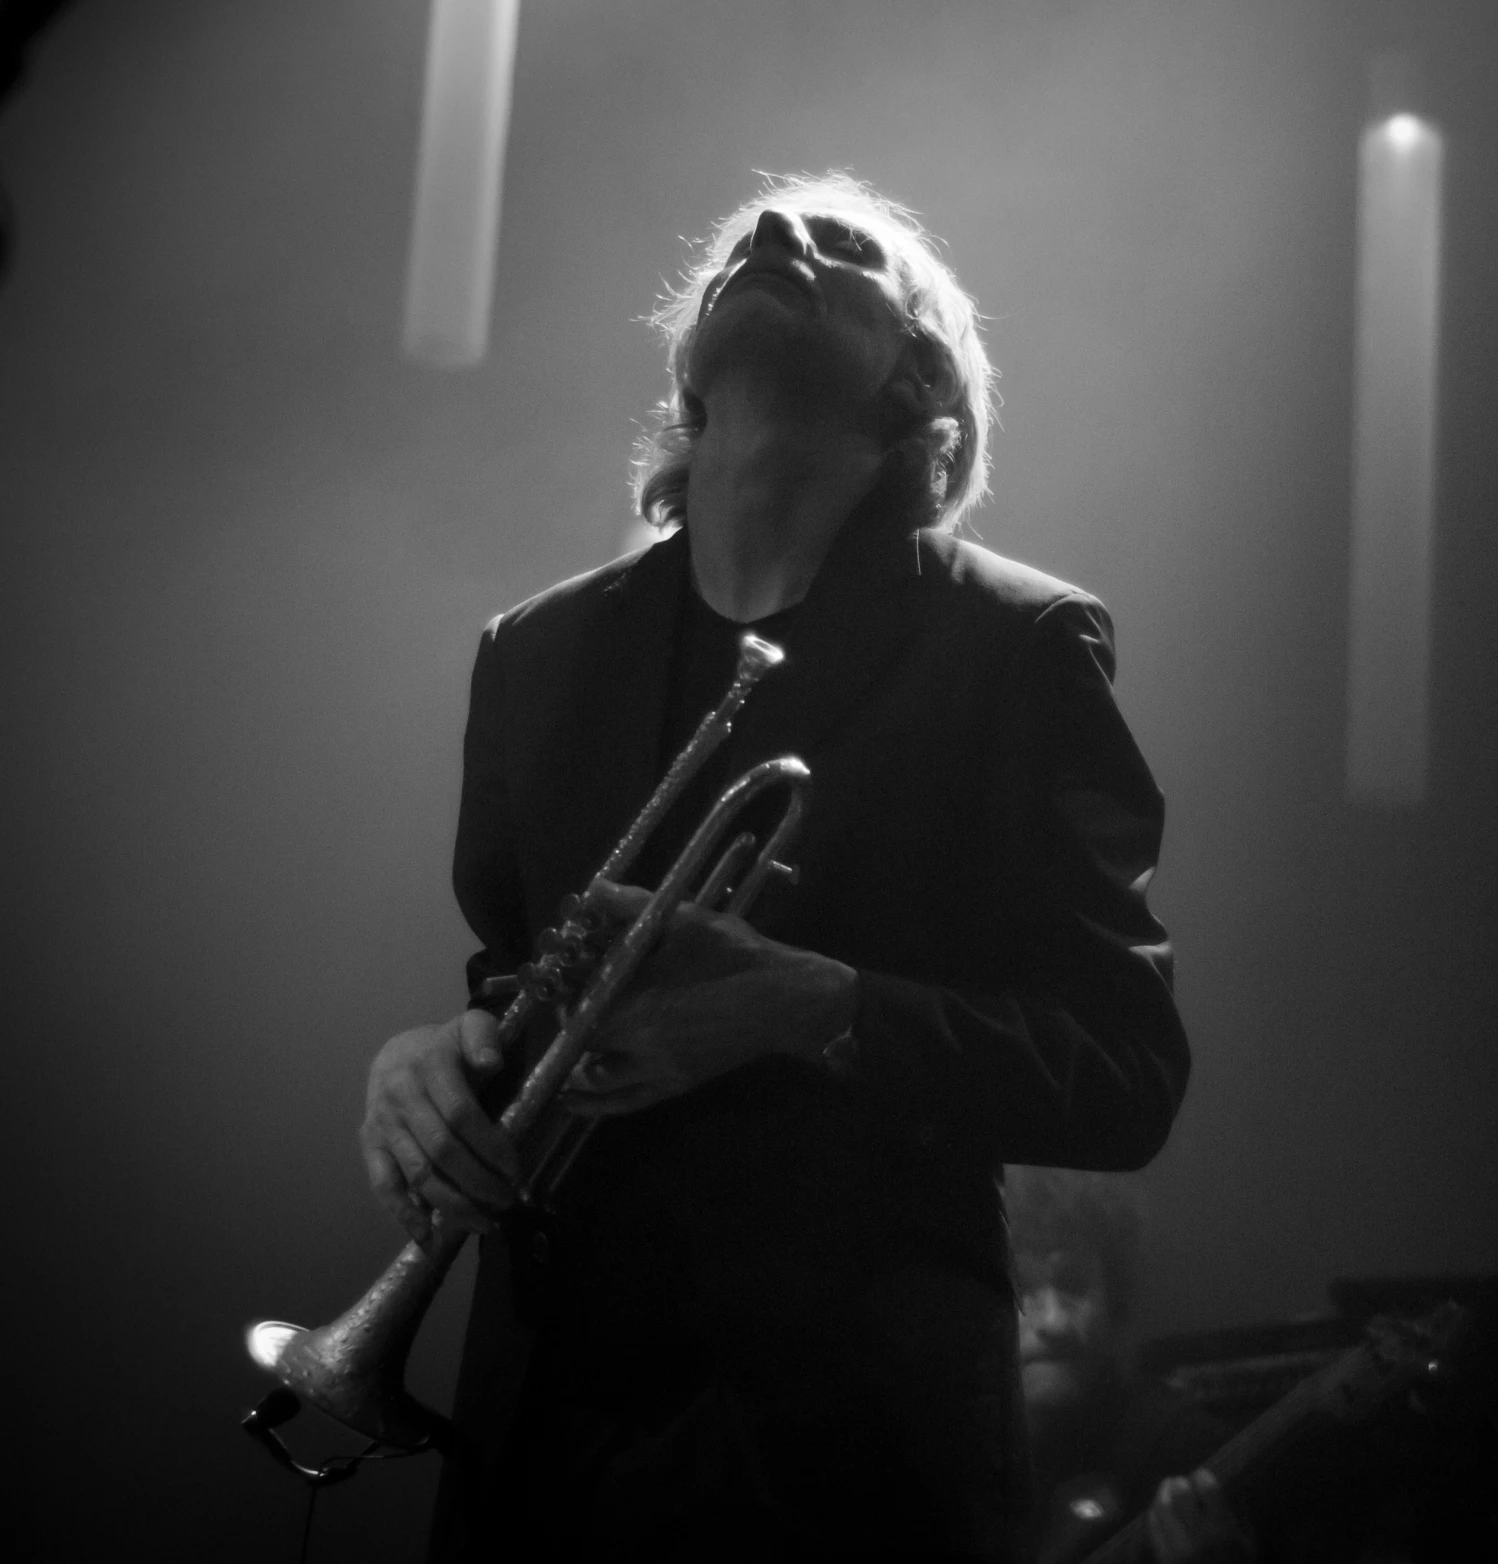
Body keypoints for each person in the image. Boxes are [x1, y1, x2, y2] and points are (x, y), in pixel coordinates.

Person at [357, 172, 1189, 1562]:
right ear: (687, 373)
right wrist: (426, 1065)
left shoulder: (1018, 646)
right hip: (552, 1437)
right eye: (748, 242)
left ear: (918, 384)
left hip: (852, 1462)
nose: (774, 237)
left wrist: (812, 1004)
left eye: (845, 252)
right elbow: (517, 989)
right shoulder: (535, 654)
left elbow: (1124, 1072)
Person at [1010, 1168, 1255, 1564]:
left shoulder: (1185, 1450)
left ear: (1114, 1301)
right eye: (1019, 1288)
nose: (1054, 1321)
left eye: (1073, 1285)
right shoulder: (937, 1471)